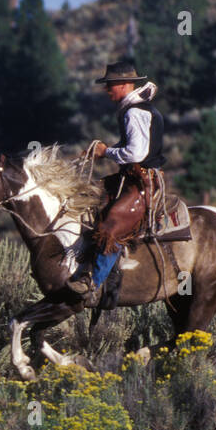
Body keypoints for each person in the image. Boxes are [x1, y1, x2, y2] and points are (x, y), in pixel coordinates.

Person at [67, 60, 166, 307]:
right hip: (132, 178)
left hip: (142, 184)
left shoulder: (135, 112)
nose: (107, 90)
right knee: (88, 196)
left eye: (110, 85)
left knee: (112, 227)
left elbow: (135, 154)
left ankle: (93, 282)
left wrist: (105, 152)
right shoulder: (133, 109)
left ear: (123, 84)